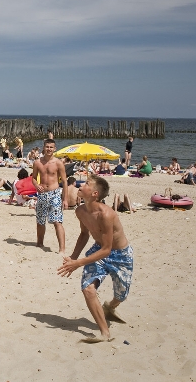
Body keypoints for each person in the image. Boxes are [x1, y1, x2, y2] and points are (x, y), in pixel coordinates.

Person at [58, 175, 133, 343]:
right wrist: (73, 257)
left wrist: (77, 264)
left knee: (121, 295)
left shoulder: (106, 215)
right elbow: (84, 234)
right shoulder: (80, 211)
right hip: (99, 250)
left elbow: (108, 250)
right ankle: (104, 333)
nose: (80, 184)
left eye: (86, 183)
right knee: (88, 289)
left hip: (120, 254)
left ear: (94, 194)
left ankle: (111, 307)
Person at [31, 139, 67, 255]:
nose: (49, 149)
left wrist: (65, 199)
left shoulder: (58, 163)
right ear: (44, 147)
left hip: (55, 194)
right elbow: (33, 178)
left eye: (51, 147)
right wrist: (36, 185)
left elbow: (65, 182)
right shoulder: (37, 162)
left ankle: (62, 249)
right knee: (40, 221)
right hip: (42, 194)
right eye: (47, 147)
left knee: (57, 222)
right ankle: (39, 243)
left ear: (54, 148)